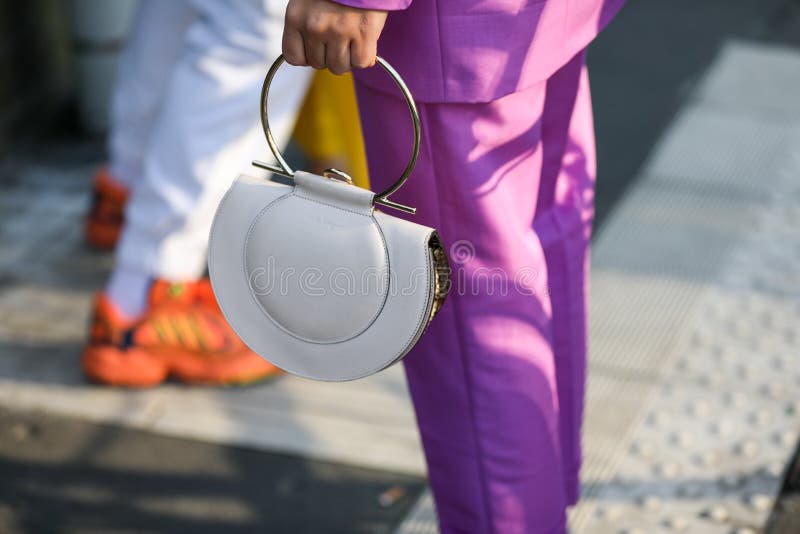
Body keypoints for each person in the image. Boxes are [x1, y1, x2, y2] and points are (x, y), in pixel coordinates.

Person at [281, 0, 624, 532]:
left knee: (470, 315)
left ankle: (515, 517)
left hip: (449, 29)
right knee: (543, 243)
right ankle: (538, 504)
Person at [82, 0, 320, 386]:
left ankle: (125, 197)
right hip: (145, 291)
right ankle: (145, 294)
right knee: (267, 22)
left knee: (189, 6)